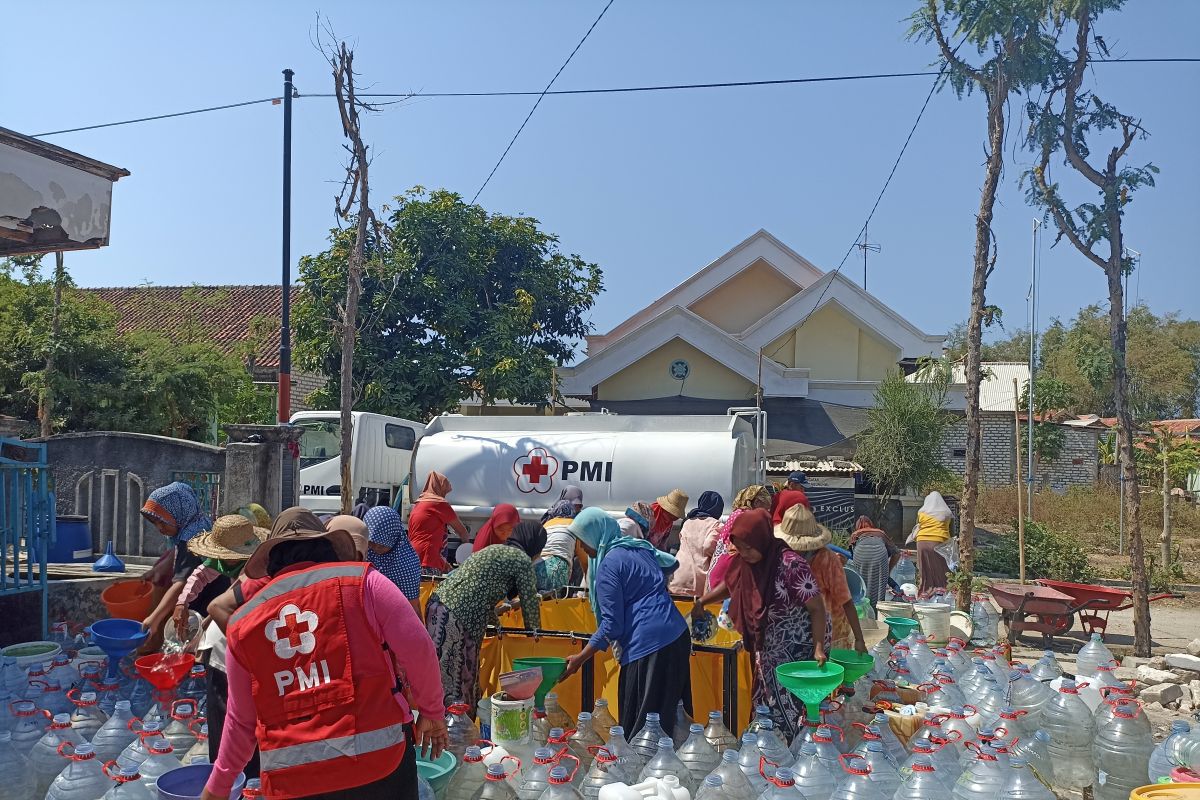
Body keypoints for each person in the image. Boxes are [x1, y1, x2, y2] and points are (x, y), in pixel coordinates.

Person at [200, 521, 446, 800]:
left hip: (293, 782)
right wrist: (432, 712)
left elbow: (240, 721)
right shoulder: (365, 584)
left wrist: (219, 786)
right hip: (379, 766)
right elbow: (419, 649)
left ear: (272, 562)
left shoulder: (244, 623)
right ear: (329, 548)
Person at [691, 509, 828, 741]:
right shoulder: (747, 563)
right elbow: (731, 585)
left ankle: (791, 755)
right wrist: (702, 602)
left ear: (761, 540)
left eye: (748, 547)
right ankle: (766, 753)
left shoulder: (791, 566)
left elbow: (817, 608)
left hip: (798, 647)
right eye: (740, 548)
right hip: (767, 646)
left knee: (790, 708)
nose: (744, 553)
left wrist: (818, 647)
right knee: (764, 703)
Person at [560, 508, 691, 740]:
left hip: (649, 647)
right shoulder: (638, 548)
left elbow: (612, 625)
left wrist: (580, 659)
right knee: (671, 723)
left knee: (641, 731)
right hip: (677, 635)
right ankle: (675, 773)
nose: (582, 548)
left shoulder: (608, 566)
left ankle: (644, 775)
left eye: (582, 540)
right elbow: (664, 571)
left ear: (595, 535)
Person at [184, 514, 269, 777]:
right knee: (227, 726)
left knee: (240, 726)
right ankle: (233, 780)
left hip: (242, 655)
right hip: (229, 654)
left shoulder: (257, 571)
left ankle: (237, 781)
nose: (220, 562)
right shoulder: (232, 566)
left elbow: (220, 605)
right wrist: (183, 605)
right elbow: (208, 585)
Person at [425, 535, 544, 710]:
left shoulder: (495, 551)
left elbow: (479, 592)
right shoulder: (522, 560)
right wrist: (536, 637)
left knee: (440, 675)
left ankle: (437, 725)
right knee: (458, 680)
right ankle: (455, 731)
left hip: (437, 606)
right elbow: (530, 602)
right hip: (457, 618)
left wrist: (497, 626)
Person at [774, 504, 867, 654]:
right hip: (794, 632)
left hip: (831, 634)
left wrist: (859, 639)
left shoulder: (827, 559)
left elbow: (846, 601)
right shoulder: (781, 557)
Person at [140, 482, 225, 637]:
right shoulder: (202, 525)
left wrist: (154, 618)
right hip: (218, 602)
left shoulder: (189, 541)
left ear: (179, 512)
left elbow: (181, 583)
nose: (159, 528)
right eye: (155, 522)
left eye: (162, 521)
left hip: (205, 606)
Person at [708, 484, 772, 592]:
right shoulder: (748, 517)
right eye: (765, 508)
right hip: (731, 570)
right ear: (756, 503)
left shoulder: (736, 513)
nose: (767, 512)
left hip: (718, 568)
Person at [363, 507, 423, 614]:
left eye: (382, 545)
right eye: (372, 542)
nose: (376, 548)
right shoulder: (364, 551)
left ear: (394, 538)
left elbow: (412, 607)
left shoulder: (407, 563)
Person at [407, 472, 467, 574]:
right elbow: (462, 531)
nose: (445, 495)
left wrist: (443, 563)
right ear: (439, 488)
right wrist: (466, 553)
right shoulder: (438, 504)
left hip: (412, 557)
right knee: (430, 589)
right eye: (445, 491)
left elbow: (427, 535)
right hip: (427, 558)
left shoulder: (419, 504)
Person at [668, 491, 724, 596]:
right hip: (698, 582)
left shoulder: (687, 522)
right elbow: (709, 547)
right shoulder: (716, 525)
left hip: (677, 578)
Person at [848, 515, 900, 607]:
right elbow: (897, 553)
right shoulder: (880, 533)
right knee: (880, 584)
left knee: (861, 582)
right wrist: (888, 571)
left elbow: (852, 555)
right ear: (871, 525)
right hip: (880, 554)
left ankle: (863, 612)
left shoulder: (855, 534)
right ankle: (877, 613)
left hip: (860, 554)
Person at [913, 491, 952, 597]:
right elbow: (949, 529)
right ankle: (941, 591)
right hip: (938, 541)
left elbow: (918, 524)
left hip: (921, 542)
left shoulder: (922, 512)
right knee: (940, 568)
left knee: (924, 568)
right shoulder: (946, 512)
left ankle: (925, 592)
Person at [537, 499, 582, 592]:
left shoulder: (546, 524)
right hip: (557, 567)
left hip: (538, 564)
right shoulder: (575, 525)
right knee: (554, 602)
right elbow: (581, 555)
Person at [647, 489, 688, 553]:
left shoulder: (669, 520)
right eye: (673, 513)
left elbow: (663, 544)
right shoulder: (649, 513)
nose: (675, 517)